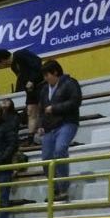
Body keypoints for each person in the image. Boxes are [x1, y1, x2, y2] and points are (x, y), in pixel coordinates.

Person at [38, 60, 81, 201]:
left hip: (67, 122)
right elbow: (41, 109)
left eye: (47, 75)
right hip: (50, 127)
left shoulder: (70, 83)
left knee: (60, 149)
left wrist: (55, 108)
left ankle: (63, 188)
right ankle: (55, 188)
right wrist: (41, 125)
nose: (45, 79)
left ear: (55, 72)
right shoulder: (44, 89)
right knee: (46, 159)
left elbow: (76, 101)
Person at [0, 49, 44, 138]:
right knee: (30, 112)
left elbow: (38, 62)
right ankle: (31, 137)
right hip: (30, 90)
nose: (1, 66)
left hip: (41, 85)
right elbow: (22, 79)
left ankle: (43, 132)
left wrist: (32, 80)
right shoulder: (13, 66)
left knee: (41, 110)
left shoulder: (20, 54)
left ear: (2, 60)